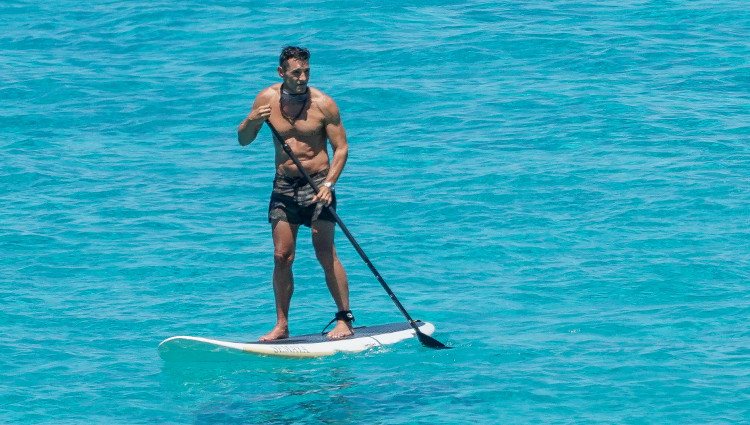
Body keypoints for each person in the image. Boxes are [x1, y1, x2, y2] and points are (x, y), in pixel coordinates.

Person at [237, 46, 354, 341]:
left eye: (306, 72)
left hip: (317, 185)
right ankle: (282, 325)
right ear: (281, 73)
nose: (302, 78)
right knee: (282, 256)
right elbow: (243, 140)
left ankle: (344, 319)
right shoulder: (266, 99)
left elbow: (341, 148)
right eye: (296, 73)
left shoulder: (324, 104)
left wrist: (329, 185)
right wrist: (252, 120)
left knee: (325, 253)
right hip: (284, 186)